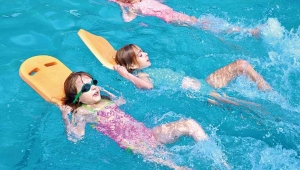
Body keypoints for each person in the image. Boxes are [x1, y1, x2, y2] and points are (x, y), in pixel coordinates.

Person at [60, 71, 211, 170]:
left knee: (189, 124)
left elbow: (123, 101)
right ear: (77, 98)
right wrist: (65, 117)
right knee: (180, 168)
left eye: (93, 83)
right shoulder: (82, 112)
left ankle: (212, 155)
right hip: (135, 143)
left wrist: (105, 92)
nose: (93, 88)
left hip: (147, 133)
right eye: (86, 88)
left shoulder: (105, 101)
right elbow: (77, 137)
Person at [113, 44, 272, 104]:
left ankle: (265, 88)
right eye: (141, 54)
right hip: (201, 92)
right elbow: (147, 86)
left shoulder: (148, 70)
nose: (146, 53)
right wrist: (126, 75)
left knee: (241, 64)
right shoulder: (141, 75)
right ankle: (270, 111)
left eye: (143, 50)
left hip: (203, 83)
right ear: (133, 65)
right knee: (245, 105)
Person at [115, 0, 258, 35]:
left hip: (173, 13)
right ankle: (247, 31)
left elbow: (158, 2)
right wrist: (121, 7)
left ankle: (240, 31)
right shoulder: (132, 7)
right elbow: (127, 20)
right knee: (203, 25)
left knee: (202, 24)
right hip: (169, 18)